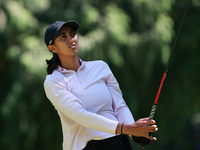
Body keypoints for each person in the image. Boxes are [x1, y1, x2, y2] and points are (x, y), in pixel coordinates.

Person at [43, 20, 158, 150]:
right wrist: (128, 128)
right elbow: (82, 116)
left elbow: (120, 106)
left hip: (119, 142)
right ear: (52, 48)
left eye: (73, 34)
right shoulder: (53, 82)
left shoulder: (100, 67)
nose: (71, 39)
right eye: (63, 37)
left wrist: (135, 132)